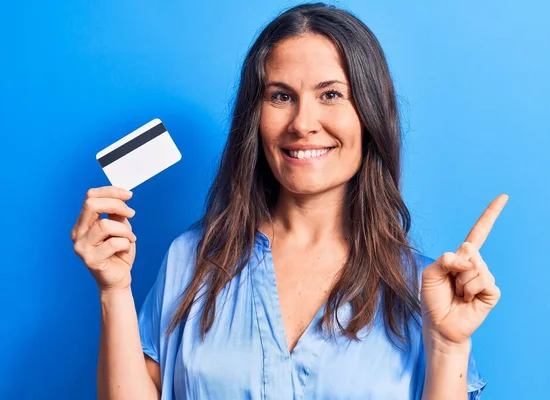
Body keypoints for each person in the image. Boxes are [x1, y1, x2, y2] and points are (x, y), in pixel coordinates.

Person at [72, 3, 508, 399]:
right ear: (254, 117)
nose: (303, 123)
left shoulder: (423, 291)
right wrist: (114, 291)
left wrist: (448, 346)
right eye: (281, 96)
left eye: (331, 95)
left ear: (370, 115)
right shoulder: (192, 259)